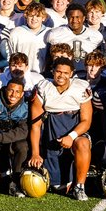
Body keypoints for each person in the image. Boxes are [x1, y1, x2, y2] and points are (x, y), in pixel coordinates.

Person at [29, 56, 94, 199]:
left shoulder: (81, 87)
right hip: (51, 136)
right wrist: (35, 153)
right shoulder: (43, 87)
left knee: (83, 143)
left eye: (65, 73)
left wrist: (71, 137)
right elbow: (35, 125)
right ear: (53, 71)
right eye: (58, 72)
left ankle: (80, 187)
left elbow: (86, 121)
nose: (61, 75)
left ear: (71, 73)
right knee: (58, 186)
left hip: (75, 133)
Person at [45, 3, 104, 68]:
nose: (74, 20)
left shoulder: (96, 35)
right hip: (64, 73)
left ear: (84, 18)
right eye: (71, 17)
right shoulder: (54, 34)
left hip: (86, 74)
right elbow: (48, 60)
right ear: (67, 17)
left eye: (77, 17)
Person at [6, 2, 51, 74]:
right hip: (20, 73)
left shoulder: (49, 33)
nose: (34, 19)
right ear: (26, 16)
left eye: (38, 16)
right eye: (31, 16)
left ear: (43, 18)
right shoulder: (16, 33)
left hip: (42, 74)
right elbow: (10, 55)